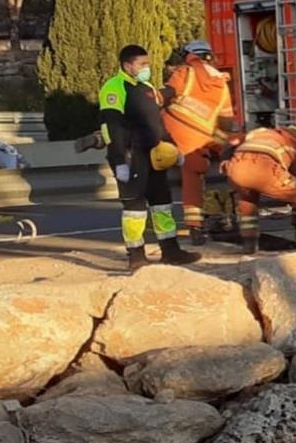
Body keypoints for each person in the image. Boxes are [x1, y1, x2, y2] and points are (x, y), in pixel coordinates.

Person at [100, 44, 198, 272]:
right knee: (134, 208)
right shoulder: (114, 88)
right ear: (127, 65)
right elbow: (110, 127)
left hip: (154, 155)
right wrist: (119, 162)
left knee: (162, 203)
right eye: (142, 64)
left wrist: (174, 148)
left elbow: (159, 123)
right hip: (131, 156)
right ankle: (136, 256)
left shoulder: (147, 88)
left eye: (148, 63)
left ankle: (171, 251)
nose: (147, 68)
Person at [161, 39, 236, 246]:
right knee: (194, 176)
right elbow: (227, 121)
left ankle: (104, 137)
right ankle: (196, 227)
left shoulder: (186, 72)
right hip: (200, 140)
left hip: (171, 133)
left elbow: (168, 95)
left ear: (189, 55)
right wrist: (218, 147)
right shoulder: (221, 82)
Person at [223, 124, 296, 254]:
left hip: (235, 169)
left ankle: (249, 245)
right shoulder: (291, 146)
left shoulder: (265, 135)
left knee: (247, 203)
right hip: (264, 168)